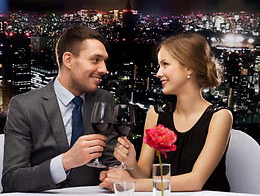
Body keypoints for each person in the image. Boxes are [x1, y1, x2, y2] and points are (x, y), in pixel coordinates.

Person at [100, 33, 233, 192]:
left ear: (189, 67)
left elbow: (195, 181)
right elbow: (143, 174)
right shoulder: (155, 114)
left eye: (165, 64)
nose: (158, 73)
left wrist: (130, 184)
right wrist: (131, 163)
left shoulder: (219, 117)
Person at [2, 25, 119, 192]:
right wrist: (65, 162)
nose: (104, 69)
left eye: (104, 61)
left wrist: (116, 172)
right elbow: (11, 180)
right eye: (95, 60)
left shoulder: (105, 100)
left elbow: (111, 162)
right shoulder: (24, 106)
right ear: (68, 60)